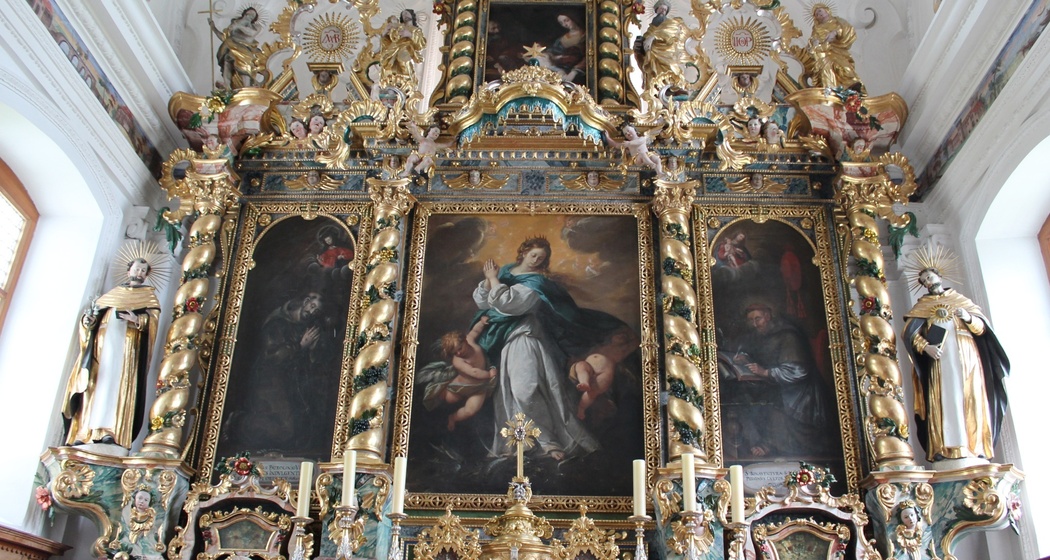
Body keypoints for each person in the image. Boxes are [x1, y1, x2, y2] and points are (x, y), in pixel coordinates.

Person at [473, 237, 629, 460]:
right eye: (533, 255)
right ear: (524, 252)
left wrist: (492, 278)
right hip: (508, 341)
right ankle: (521, 442)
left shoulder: (537, 283)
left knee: (526, 391)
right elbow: (483, 303)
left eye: (541, 258)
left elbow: (510, 304)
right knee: (511, 394)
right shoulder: (505, 272)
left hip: (526, 338)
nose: (536, 260)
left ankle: (550, 441)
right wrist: (490, 281)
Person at [903, 265, 1009, 464]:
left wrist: (968, 318)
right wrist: (926, 347)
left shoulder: (961, 301)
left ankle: (975, 446)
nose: (928, 282)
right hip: (940, 360)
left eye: (929, 277)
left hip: (968, 356)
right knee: (946, 398)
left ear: (939, 276)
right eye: (924, 280)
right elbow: (910, 335)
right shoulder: (922, 307)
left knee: (972, 396)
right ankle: (945, 447)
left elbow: (981, 330)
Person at [63, 257, 161, 448]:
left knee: (117, 387)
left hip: (126, 351)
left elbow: (153, 322)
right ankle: (84, 432)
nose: (139, 273)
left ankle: (111, 431)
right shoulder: (111, 295)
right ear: (129, 270)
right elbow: (94, 318)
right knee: (95, 383)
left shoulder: (149, 297)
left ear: (147, 275)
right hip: (102, 347)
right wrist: (88, 322)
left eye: (143, 271)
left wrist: (138, 320)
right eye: (137, 269)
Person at [718, 304, 830, 457]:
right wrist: (746, 359)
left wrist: (766, 372)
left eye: (758, 319)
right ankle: (755, 442)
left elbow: (798, 371)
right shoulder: (762, 335)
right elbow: (764, 358)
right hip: (776, 384)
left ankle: (770, 443)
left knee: (771, 403)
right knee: (746, 396)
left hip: (799, 391)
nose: (754, 324)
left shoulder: (788, 336)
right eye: (751, 320)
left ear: (768, 316)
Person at [421, 316, 499, 431]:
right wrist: (489, 375)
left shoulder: (470, 339)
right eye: (454, 352)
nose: (458, 353)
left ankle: (453, 418)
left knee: (471, 410)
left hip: (479, 388)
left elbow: (475, 331)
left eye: (459, 348)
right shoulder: (458, 361)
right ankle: (438, 393)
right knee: (449, 399)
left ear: (465, 340)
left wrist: (482, 323)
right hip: (461, 387)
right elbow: (474, 372)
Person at [570, 328, 639, 420]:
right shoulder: (601, 345)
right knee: (581, 366)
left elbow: (636, 343)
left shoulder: (623, 350)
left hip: (605, 371)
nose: (622, 337)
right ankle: (584, 382)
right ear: (612, 336)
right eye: (620, 334)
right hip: (589, 365)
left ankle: (582, 408)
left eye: (625, 336)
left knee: (593, 392)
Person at [808, 4, 864, 93]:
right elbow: (813, 40)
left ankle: (850, 85)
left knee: (845, 67)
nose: (819, 14)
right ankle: (832, 88)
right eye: (817, 14)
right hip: (824, 51)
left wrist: (836, 32)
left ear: (827, 10)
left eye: (820, 11)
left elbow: (847, 29)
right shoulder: (816, 28)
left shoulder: (837, 21)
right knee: (827, 66)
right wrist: (815, 43)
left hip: (837, 49)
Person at [633, 0, 687, 91]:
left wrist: (654, 37)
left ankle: (671, 88)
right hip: (652, 58)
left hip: (666, 54)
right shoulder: (651, 28)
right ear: (656, 9)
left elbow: (670, 31)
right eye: (661, 9)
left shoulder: (669, 23)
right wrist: (639, 48)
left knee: (669, 72)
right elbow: (645, 43)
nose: (663, 11)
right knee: (654, 77)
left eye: (665, 10)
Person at [208, 7, 263, 89]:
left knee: (245, 64)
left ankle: (247, 87)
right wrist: (213, 28)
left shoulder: (256, 26)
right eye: (248, 14)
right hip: (230, 45)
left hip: (244, 48)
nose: (250, 16)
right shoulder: (234, 24)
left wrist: (238, 26)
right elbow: (224, 37)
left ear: (254, 18)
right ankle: (227, 85)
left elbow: (251, 33)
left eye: (252, 15)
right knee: (227, 63)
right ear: (244, 14)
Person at [379, 9, 426, 82]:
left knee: (403, 61)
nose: (405, 15)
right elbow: (387, 39)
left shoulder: (416, 30)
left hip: (407, 48)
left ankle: (406, 80)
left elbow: (421, 44)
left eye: (407, 13)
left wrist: (409, 34)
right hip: (393, 48)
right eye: (403, 14)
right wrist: (385, 32)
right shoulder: (398, 27)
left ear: (412, 16)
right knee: (387, 65)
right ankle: (390, 81)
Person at [546, 13, 586, 83]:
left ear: (573, 19)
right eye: (561, 23)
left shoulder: (585, 34)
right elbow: (554, 51)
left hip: (579, 68)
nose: (565, 24)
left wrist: (575, 70)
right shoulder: (563, 39)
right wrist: (552, 56)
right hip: (563, 68)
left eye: (566, 20)